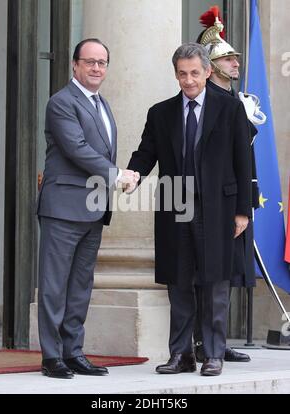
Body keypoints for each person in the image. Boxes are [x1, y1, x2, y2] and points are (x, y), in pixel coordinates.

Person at [126, 42, 252, 376]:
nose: (189, 81)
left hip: (219, 207)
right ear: (176, 74)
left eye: (195, 73)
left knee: (214, 282)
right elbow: (145, 154)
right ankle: (181, 354)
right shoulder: (160, 112)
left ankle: (212, 353)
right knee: (178, 282)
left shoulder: (230, 108)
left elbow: (244, 159)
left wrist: (243, 211)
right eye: (182, 74)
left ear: (208, 71)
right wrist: (131, 175)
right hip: (175, 205)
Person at [37, 38, 138, 379]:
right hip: (63, 208)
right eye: (90, 62)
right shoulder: (61, 102)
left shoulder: (101, 104)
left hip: (93, 208)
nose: (97, 68)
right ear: (75, 65)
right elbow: (77, 149)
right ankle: (52, 357)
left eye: (102, 63)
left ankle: (73, 351)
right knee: (55, 285)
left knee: (80, 285)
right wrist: (117, 175)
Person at [193, 7, 260, 363]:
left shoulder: (238, 101)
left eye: (235, 59)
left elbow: (244, 157)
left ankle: (217, 341)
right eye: (228, 59)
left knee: (230, 270)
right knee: (206, 273)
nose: (235, 64)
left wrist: (245, 205)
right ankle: (204, 342)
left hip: (235, 197)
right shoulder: (203, 100)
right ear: (213, 66)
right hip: (207, 201)